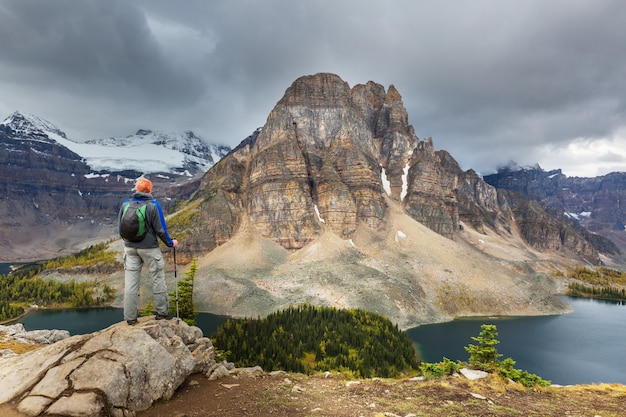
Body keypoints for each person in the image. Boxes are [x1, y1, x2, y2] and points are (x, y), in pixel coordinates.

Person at [119, 177, 178, 325]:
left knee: (131, 282)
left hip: (130, 248)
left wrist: (129, 242)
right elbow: (161, 230)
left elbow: (120, 227)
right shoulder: (153, 205)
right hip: (150, 249)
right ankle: (162, 314)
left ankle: (130, 318)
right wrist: (171, 243)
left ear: (137, 189)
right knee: (157, 278)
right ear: (149, 190)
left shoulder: (126, 204)